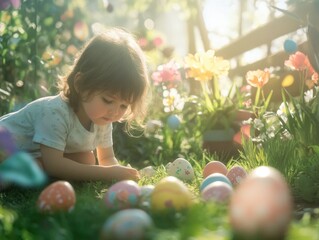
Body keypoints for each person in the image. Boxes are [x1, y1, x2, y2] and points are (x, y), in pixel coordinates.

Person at [0, 27, 150, 182]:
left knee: (87, 159)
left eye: (124, 106)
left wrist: (122, 178)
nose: (115, 112)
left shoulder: (103, 117)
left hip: (31, 155)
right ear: (80, 84)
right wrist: (108, 174)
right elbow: (55, 165)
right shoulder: (56, 113)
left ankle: (25, 169)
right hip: (4, 146)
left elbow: (106, 158)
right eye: (108, 100)